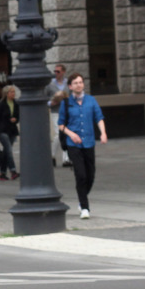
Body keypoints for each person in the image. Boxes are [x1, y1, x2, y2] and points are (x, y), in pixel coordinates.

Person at [57, 72, 107, 219]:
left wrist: (103, 133)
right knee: (81, 174)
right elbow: (61, 124)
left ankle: (82, 198)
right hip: (73, 144)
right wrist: (71, 134)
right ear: (70, 86)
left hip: (89, 142)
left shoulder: (91, 100)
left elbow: (99, 118)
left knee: (90, 175)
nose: (79, 85)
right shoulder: (65, 103)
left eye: (81, 82)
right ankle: (84, 207)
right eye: (76, 83)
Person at [0, 84, 20, 181]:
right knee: (8, 150)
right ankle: (13, 171)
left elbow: (18, 116)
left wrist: (15, 119)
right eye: (11, 92)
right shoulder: (1, 104)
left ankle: (2, 173)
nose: (13, 93)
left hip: (11, 130)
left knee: (6, 152)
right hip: (2, 130)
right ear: (6, 94)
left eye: (14, 92)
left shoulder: (15, 103)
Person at [47, 64, 71, 166]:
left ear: (63, 72)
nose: (56, 73)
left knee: (66, 134)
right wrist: (50, 103)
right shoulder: (50, 85)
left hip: (67, 112)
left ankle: (66, 159)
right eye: (55, 71)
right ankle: (52, 155)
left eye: (58, 71)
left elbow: (73, 96)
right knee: (58, 134)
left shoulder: (68, 84)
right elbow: (44, 97)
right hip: (55, 112)